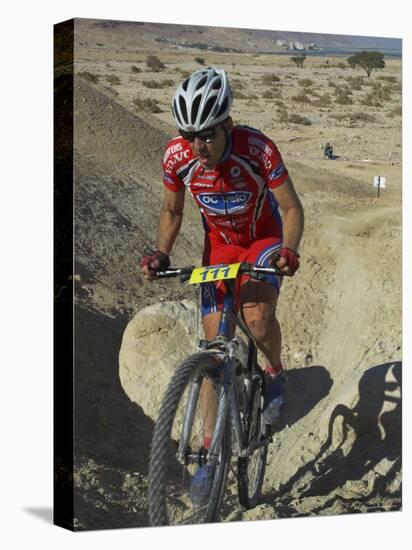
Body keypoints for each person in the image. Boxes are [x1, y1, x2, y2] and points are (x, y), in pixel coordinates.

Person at [140, 67, 304, 504]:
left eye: (208, 135)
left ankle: (274, 373)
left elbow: (290, 208)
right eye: (189, 135)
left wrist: (288, 250)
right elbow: (172, 213)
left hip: (263, 238)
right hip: (220, 247)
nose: (199, 146)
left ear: (227, 125)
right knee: (214, 351)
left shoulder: (258, 149)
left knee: (256, 317)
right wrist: (161, 252)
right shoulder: (178, 158)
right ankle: (211, 456)